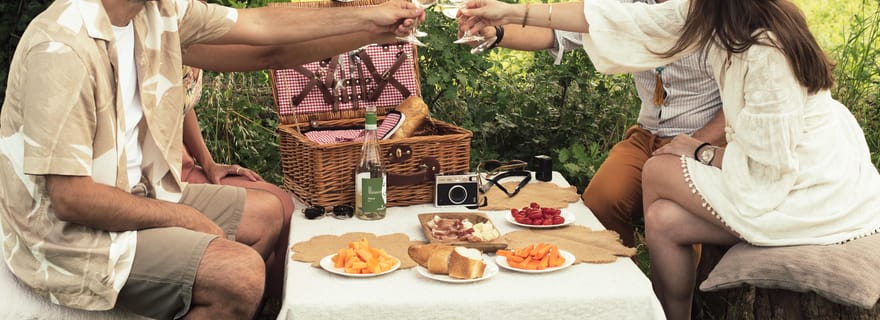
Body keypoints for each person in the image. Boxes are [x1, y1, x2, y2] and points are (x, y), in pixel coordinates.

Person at [0, 0, 422, 319]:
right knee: (240, 275)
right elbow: (71, 199)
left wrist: (371, 22)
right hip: (67, 234)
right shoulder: (61, 46)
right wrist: (181, 218)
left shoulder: (158, 12)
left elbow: (261, 33)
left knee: (272, 210)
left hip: (139, 191)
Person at [459, 0, 880, 319]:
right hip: (758, 169)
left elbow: (771, 168)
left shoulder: (768, 52)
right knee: (662, 219)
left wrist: (697, 150)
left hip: (809, 189)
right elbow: (611, 20)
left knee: (659, 169)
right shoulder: (710, 16)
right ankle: (663, 313)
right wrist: (510, 11)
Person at [460, 0, 726, 249]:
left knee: (678, 214)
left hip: (706, 141)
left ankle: (692, 292)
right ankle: (625, 279)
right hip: (647, 136)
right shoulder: (627, 5)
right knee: (601, 201)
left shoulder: (717, 14)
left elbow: (742, 100)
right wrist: (496, 32)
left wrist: (696, 144)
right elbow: (556, 33)